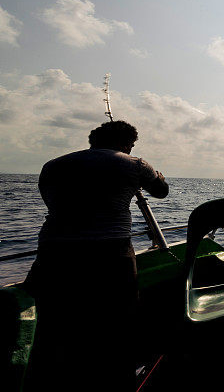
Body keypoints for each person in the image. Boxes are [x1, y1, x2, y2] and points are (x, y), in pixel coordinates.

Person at [24, 120, 168, 392]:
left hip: (54, 252)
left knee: (56, 319)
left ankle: (53, 379)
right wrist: (158, 176)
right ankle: (115, 380)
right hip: (110, 253)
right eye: (132, 145)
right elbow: (161, 192)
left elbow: (50, 201)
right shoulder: (135, 164)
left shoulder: (53, 165)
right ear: (126, 144)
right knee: (118, 318)